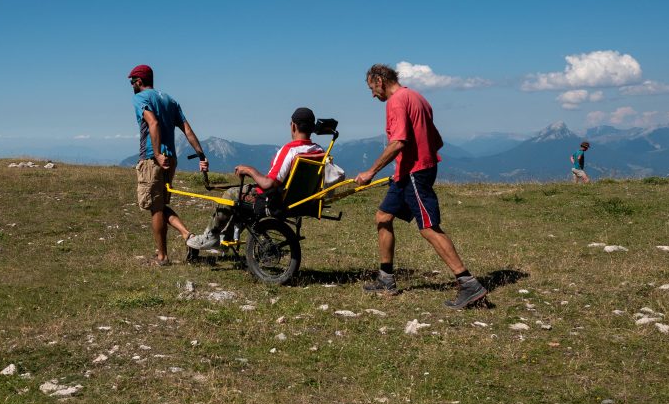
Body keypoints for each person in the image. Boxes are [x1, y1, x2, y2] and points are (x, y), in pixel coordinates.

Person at [354, 64, 487, 308]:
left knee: (428, 227)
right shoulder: (417, 97)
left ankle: (468, 283)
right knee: (383, 217)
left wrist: (370, 172)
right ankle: (386, 278)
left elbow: (398, 142)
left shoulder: (396, 101)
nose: (373, 95)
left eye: (372, 88)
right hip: (409, 171)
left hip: (415, 172)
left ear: (380, 81)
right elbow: (437, 140)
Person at [187, 107, 324, 250]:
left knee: (231, 194)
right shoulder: (319, 151)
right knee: (242, 192)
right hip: (302, 199)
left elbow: (268, 183)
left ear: (293, 126)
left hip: (275, 199)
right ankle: (226, 236)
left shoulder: (290, 151)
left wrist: (248, 169)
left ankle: (211, 236)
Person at [129, 64, 207, 265]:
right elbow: (187, 130)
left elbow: (152, 123)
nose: (131, 86)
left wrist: (156, 154)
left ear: (139, 81)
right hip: (171, 159)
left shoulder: (140, 98)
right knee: (161, 205)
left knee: (155, 208)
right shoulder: (170, 100)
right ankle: (188, 237)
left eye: (132, 82)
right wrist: (201, 155)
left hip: (153, 159)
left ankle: (162, 257)